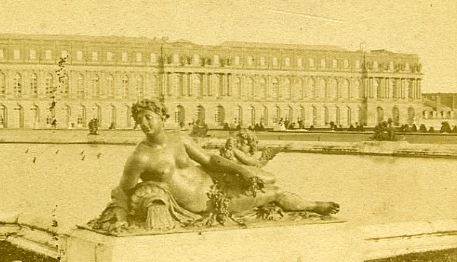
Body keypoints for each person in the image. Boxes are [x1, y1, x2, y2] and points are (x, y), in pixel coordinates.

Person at [95, 99, 339, 232]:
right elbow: (124, 190)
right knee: (274, 192)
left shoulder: (179, 138)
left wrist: (242, 169)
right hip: (206, 202)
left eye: (149, 117)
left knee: (267, 178)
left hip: (214, 180)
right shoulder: (140, 158)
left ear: (162, 117)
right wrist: (123, 214)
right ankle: (314, 206)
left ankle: (305, 203)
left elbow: (209, 160)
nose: (144, 124)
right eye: (140, 120)